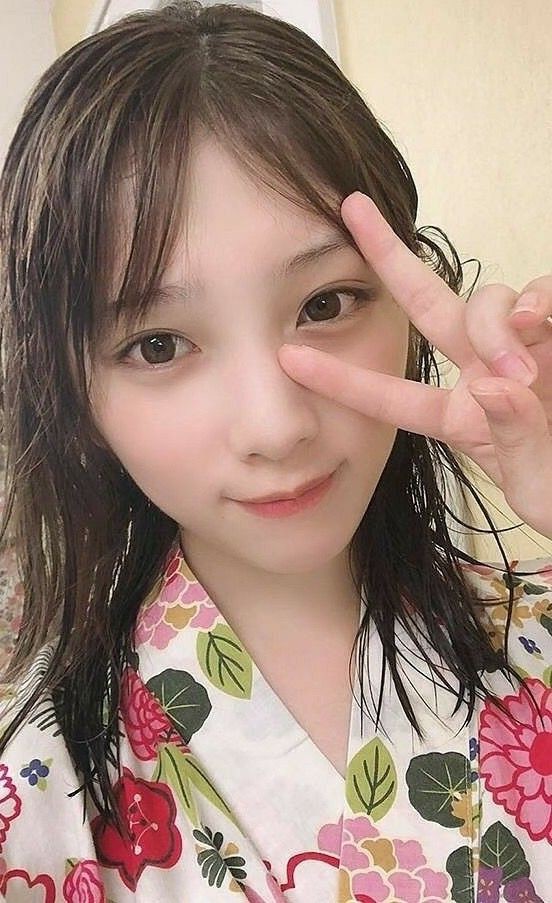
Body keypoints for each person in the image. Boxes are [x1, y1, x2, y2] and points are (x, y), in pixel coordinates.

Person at [0, 1, 550, 900]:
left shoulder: (538, 632)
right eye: (158, 345)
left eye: (326, 303)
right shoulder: (36, 792)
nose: (275, 425)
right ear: (76, 396)